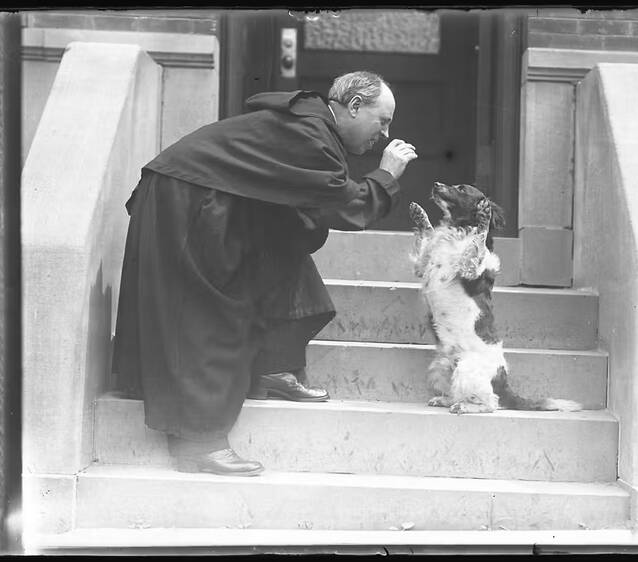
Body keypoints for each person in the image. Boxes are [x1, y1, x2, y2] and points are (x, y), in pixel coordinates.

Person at [111, 71, 418, 477]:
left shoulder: (312, 129)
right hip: (183, 201)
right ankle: (198, 443)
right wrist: (386, 175)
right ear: (355, 106)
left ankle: (274, 364)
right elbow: (345, 207)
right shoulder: (310, 134)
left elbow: (305, 209)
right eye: (383, 121)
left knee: (282, 248)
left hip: (199, 197)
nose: (385, 133)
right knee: (203, 312)